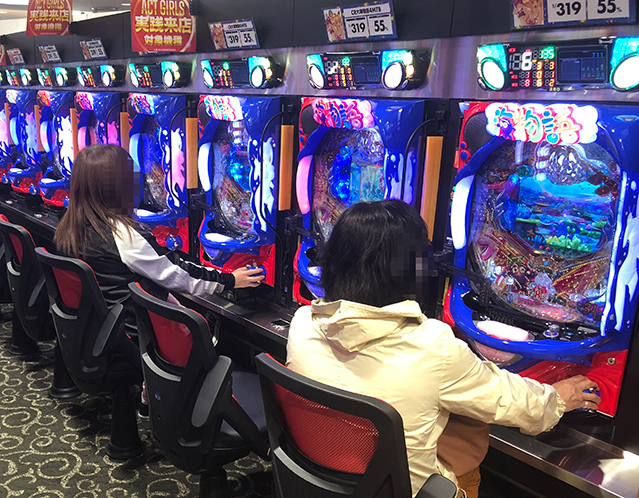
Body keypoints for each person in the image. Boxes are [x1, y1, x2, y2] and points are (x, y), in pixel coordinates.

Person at [286, 199, 600, 498]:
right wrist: (558, 398)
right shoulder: (431, 344)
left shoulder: (303, 322)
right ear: (412, 269)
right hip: (401, 490)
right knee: (468, 444)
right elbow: (514, 403)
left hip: (323, 478)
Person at [53, 144, 264, 365]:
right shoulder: (122, 235)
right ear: (119, 187)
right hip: (134, 341)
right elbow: (179, 274)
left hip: (98, 334)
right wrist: (230, 280)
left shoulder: (69, 226)